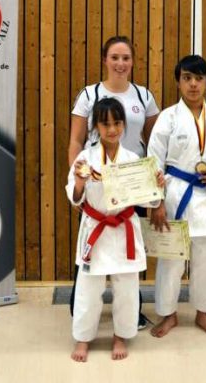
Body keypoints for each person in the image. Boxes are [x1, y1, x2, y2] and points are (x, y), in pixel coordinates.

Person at [68, 35, 160, 329]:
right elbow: (75, 140)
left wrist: (153, 184)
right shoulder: (89, 94)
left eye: (126, 58)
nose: (120, 63)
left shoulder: (144, 96)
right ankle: (80, 306)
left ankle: (132, 312)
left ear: (133, 61)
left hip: (133, 182)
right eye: (115, 57)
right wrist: (76, 180)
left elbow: (155, 144)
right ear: (105, 60)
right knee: (90, 242)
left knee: (129, 246)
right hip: (96, 182)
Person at [67, 98, 164, 362]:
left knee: (127, 289)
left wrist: (156, 187)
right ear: (96, 126)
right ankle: (83, 339)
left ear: (124, 125)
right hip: (95, 228)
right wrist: (78, 183)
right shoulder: (85, 159)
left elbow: (149, 201)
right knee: (88, 287)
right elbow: (75, 198)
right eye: (105, 123)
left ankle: (120, 335)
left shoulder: (134, 160)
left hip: (123, 229)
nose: (112, 129)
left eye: (117, 123)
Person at [148, 55, 206, 339]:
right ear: (178, 82)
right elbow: (153, 162)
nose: (193, 84)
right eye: (187, 78)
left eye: (199, 78)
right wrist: (157, 202)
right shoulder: (168, 118)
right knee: (171, 260)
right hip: (176, 195)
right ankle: (168, 314)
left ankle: (203, 313)